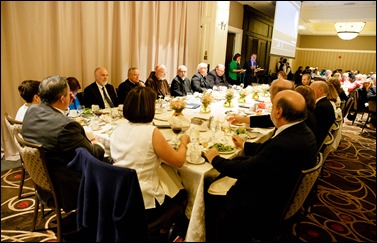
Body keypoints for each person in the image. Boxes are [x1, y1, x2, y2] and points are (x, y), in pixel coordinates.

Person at [203, 90, 317, 242]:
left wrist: (215, 159)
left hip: (264, 205)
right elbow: (269, 155)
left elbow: (246, 170)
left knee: (208, 189)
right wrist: (245, 145)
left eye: (272, 106)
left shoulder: (285, 143)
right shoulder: (301, 132)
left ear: (278, 112)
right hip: (282, 189)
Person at [21, 75, 105, 212]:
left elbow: (54, 122)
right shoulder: (67, 127)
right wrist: (96, 142)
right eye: (68, 93)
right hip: (66, 189)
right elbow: (94, 155)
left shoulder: (32, 111)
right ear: (62, 98)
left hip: (43, 181)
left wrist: (65, 106)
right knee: (111, 163)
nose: (71, 96)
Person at [110, 86, 190, 224]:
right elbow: (179, 161)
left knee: (168, 177)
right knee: (183, 193)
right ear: (148, 108)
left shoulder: (118, 129)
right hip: (143, 202)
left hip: (119, 195)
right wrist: (184, 142)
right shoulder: (151, 132)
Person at [228, 78, 294, 128]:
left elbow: (268, 121)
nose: (270, 98)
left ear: (278, 95)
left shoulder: (284, 113)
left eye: (271, 94)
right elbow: (268, 120)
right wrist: (242, 119)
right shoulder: (292, 108)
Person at [310, 81, 336, 151]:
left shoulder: (321, 107)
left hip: (313, 144)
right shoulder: (325, 103)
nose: (309, 92)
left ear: (320, 90)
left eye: (311, 89)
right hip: (318, 139)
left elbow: (312, 129)